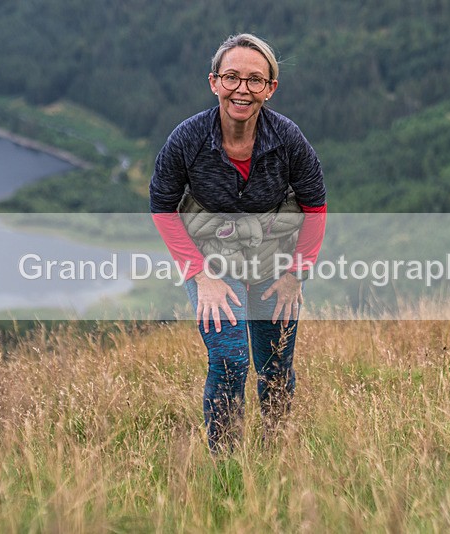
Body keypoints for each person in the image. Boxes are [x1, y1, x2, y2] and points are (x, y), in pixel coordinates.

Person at [149, 33, 327, 452]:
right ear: (214, 82)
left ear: (270, 88)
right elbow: (162, 208)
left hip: (275, 266)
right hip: (213, 267)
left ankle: (277, 454)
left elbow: (315, 208)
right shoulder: (187, 139)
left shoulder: (288, 140)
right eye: (231, 77)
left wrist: (294, 277)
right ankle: (226, 468)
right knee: (230, 361)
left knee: (275, 367)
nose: (242, 89)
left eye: (254, 79)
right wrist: (201, 276)